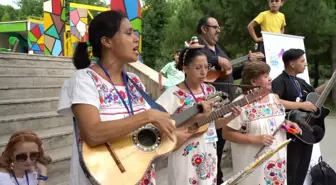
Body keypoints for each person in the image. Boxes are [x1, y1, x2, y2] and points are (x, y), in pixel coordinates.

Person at [57, 10, 177, 185]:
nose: (136, 38)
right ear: (107, 41)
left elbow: (146, 132)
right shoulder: (84, 79)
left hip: (139, 174)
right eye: (128, 33)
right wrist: (148, 116)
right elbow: (92, 133)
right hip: (103, 177)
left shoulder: (135, 81)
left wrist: (191, 125)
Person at [156, 37, 241, 185]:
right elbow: (159, 124)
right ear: (185, 68)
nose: (203, 72)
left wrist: (230, 117)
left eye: (206, 67)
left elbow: (214, 123)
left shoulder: (211, 90)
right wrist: (194, 118)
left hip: (208, 152)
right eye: (197, 68)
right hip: (184, 153)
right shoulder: (174, 94)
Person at [223, 61, 301, 185]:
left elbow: (276, 122)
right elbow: (227, 134)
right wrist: (256, 139)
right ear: (253, 81)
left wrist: (288, 124)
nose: (270, 79)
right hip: (253, 166)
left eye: (268, 75)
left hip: (277, 164)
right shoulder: (241, 103)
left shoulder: (274, 99)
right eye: (265, 76)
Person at [272, 49, 327, 185]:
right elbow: (275, 101)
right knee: (291, 171)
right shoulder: (280, 81)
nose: (305, 64)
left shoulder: (301, 82)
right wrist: (301, 105)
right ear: (292, 63)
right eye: (302, 61)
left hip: (306, 132)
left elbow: (314, 93)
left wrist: (331, 81)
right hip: (290, 132)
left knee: (302, 170)